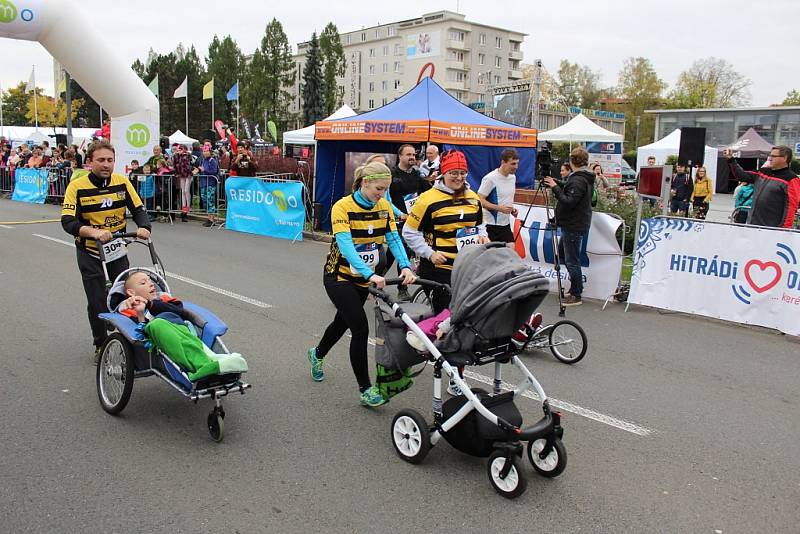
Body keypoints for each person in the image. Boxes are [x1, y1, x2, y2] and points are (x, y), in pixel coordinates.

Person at [307, 161, 416, 407]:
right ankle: (366, 390)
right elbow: (345, 246)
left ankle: (317, 353)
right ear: (365, 183)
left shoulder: (384, 206)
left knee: (342, 322)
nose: (382, 195)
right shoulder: (342, 207)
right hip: (339, 277)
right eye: (379, 189)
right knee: (360, 328)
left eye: (386, 190)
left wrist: (406, 265)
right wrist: (369, 274)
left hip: (362, 278)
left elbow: (393, 239)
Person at [403, 150, 489, 396]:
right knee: (452, 321)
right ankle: (453, 374)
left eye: (462, 173)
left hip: (467, 267)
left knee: (463, 320)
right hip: (438, 270)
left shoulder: (473, 198)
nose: (458, 177)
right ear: (443, 173)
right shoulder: (428, 199)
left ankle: (453, 369)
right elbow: (410, 232)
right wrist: (429, 253)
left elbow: (479, 225)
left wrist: (483, 236)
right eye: (453, 173)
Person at [60, 140, 151, 362]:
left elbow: (138, 208)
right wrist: (92, 232)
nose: (106, 165)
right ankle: (101, 343)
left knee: (126, 292)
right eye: (101, 160)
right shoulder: (77, 187)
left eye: (110, 160)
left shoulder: (122, 182)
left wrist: (144, 226)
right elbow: (67, 221)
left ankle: (131, 337)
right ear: (90, 162)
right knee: (97, 299)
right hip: (89, 249)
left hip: (116, 247)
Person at [117, 272, 246, 381]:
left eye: (150, 280)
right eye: (143, 283)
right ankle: (204, 365)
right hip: (158, 339)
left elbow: (179, 312)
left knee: (181, 338)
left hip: (182, 329)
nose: (151, 284)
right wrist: (140, 312)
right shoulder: (129, 308)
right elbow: (141, 332)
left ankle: (211, 363)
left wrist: (151, 305)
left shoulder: (164, 299)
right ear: (131, 292)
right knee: (155, 325)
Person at [543, 147, 594, 307]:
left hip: (573, 224)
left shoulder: (578, 179)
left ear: (572, 161)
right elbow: (571, 189)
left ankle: (576, 294)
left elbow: (569, 201)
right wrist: (557, 182)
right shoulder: (582, 177)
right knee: (565, 256)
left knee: (572, 260)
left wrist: (555, 187)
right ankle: (575, 289)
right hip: (573, 223)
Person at [387, 144, 430, 300]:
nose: (412, 157)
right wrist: (399, 214)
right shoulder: (392, 174)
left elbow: (428, 194)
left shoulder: (418, 175)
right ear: (400, 156)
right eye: (408, 154)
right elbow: (386, 199)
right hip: (395, 220)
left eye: (414, 154)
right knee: (399, 253)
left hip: (413, 221)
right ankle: (401, 287)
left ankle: (398, 285)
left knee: (397, 253)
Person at [724, 146, 799, 228]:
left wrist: (784, 229)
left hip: (772, 228)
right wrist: (731, 160)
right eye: (770, 155)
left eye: (773, 156)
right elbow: (742, 176)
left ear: (784, 158)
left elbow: (791, 207)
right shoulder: (763, 171)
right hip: (752, 224)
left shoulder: (791, 179)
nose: (770, 158)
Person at [477, 148, 520, 246]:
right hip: (490, 225)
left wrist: (512, 209)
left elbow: (504, 198)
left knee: (511, 253)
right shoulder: (490, 178)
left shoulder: (513, 177)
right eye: (513, 164)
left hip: (505, 224)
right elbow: (479, 200)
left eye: (517, 163)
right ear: (503, 162)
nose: (516, 167)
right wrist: (499, 208)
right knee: (492, 258)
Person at [196, 146, 220, 227]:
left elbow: (214, 171)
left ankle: (211, 219)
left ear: (210, 152)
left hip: (210, 183)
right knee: (205, 200)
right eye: (204, 151)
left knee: (210, 201)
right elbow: (202, 170)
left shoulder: (212, 160)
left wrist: (204, 170)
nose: (205, 153)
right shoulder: (203, 160)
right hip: (203, 183)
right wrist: (198, 171)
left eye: (207, 151)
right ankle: (208, 217)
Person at [171, 144, 193, 222]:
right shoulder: (176, 156)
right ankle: (184, 207)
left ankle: (188, 206)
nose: (180, 150)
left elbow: (189, 163)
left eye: (181, 149)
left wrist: (185, 154)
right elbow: (175, 165)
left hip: (188, 174)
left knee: (187, 191)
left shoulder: (187, 155)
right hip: (181, 174)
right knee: (182, 191)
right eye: (179, 149)